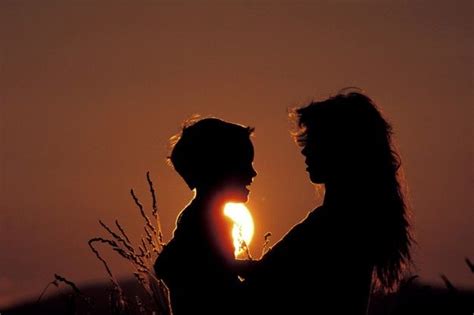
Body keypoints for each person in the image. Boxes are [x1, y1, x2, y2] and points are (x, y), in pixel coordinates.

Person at [244, 90, 413, 314]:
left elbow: (263, 280)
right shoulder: (355, 220)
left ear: (341, 149)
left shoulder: (336, 224)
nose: (305, 150)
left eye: (314, 141)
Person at [154, 117, 257, 315]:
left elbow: (169, 264)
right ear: (217, 169)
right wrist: (246, 269)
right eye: (244, 164)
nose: (253, 173)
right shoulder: (205, 219)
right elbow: (212, 275)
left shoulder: (200, 216)